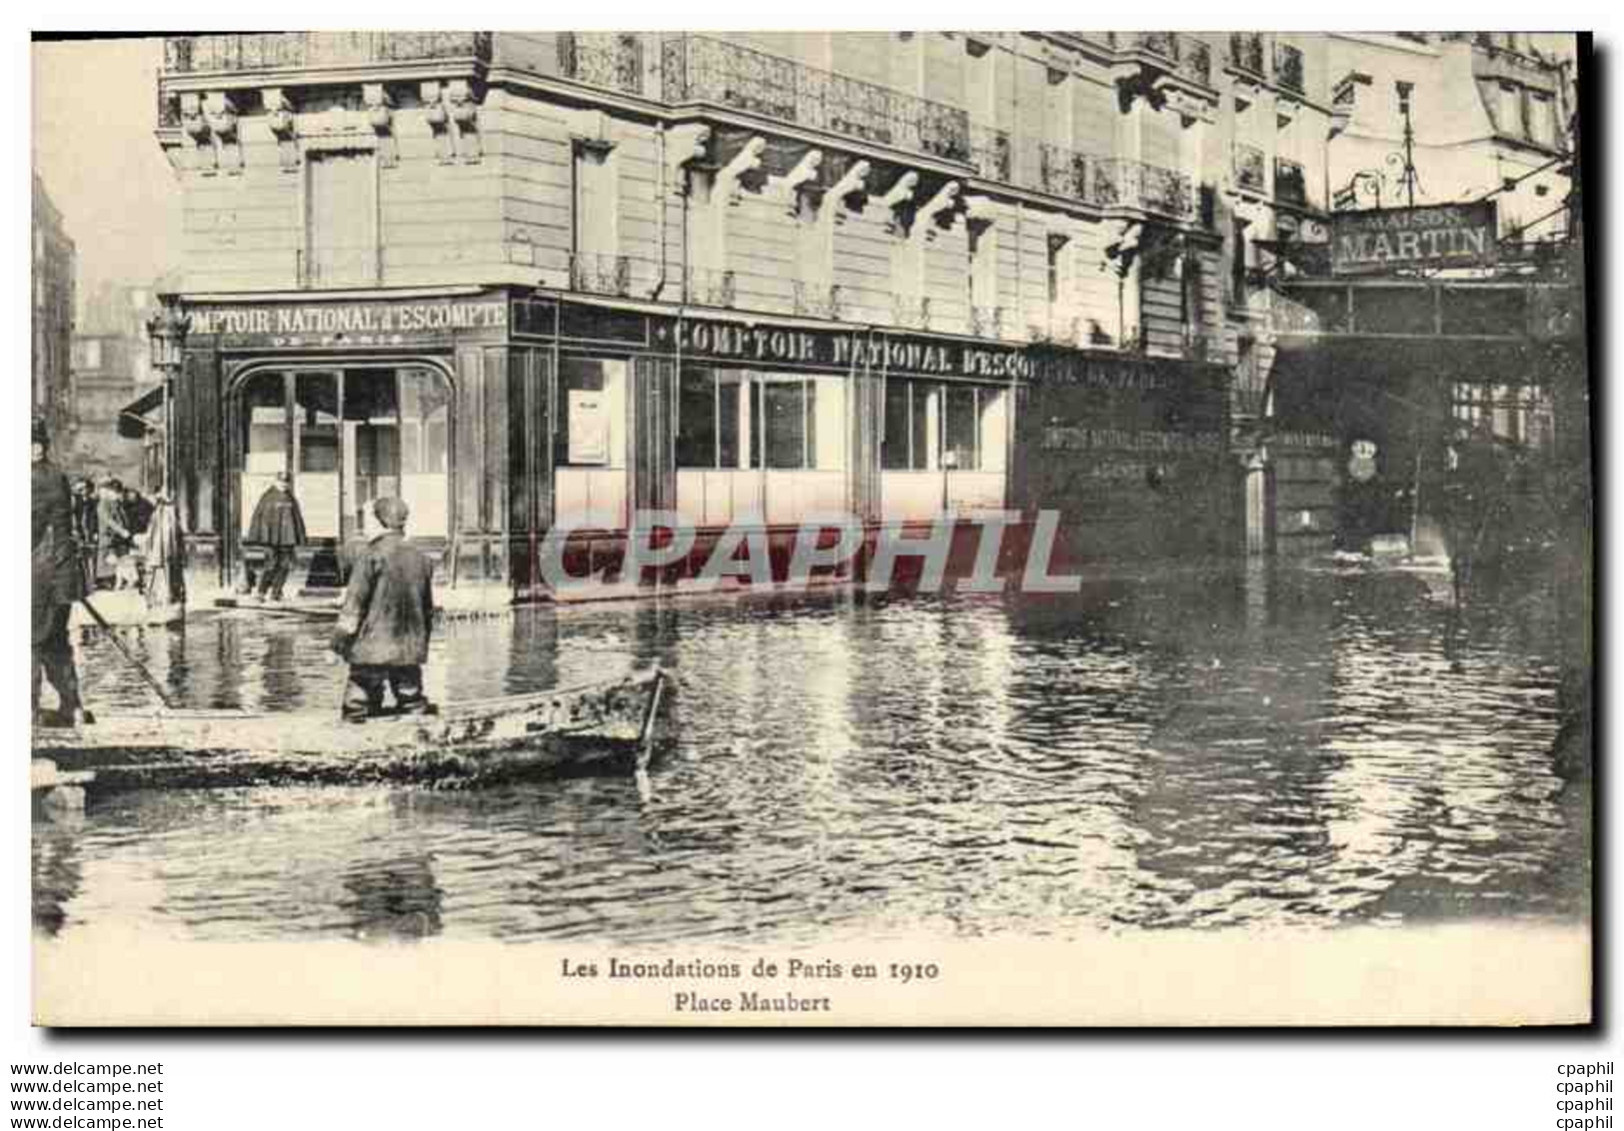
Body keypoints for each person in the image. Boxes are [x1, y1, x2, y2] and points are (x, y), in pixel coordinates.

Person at [331, 496, 436, 723]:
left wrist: (336, 646)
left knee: (357, 704)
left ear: (379, 522)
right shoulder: (423, 559)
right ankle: (415, 733)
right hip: (409, 648)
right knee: (412, 701)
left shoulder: (370, 557)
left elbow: (353, 609)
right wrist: (420, 643)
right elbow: (428, 611)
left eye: (368, 519)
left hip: (371, 649)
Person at [32, 417, 91, 727]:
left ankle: (27, 711)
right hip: (60, 577)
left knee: (29, 644)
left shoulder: (34, 479)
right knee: (55, 644)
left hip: (39, 578)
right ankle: (72, 706)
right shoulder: (56, 476)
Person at [245, 471, 307, 603]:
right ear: (276, 481)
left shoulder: (290, 498)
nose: (284, 484)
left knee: (285, 566)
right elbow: (260, 518)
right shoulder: (268, 497)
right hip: (271, 541)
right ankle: (261, 592)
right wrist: (263, 537)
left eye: (286, 482)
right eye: (282, 482)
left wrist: (298, 536)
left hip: (287, 540)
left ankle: (276, 592)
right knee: (271, 565)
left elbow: (297, 519)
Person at [94, 477, 133, 590]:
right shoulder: (103, 504)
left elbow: (123, 519)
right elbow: (109, 521)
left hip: (118, 539)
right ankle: (108, 581)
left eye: (118, 493)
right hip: (108, 538)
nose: (117, 495)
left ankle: (119, 581)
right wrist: (122, 531)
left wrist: (126, 530)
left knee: (121, 560)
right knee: (109, 561)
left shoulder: (117, 504)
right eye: (116, 493)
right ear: (109, 492)